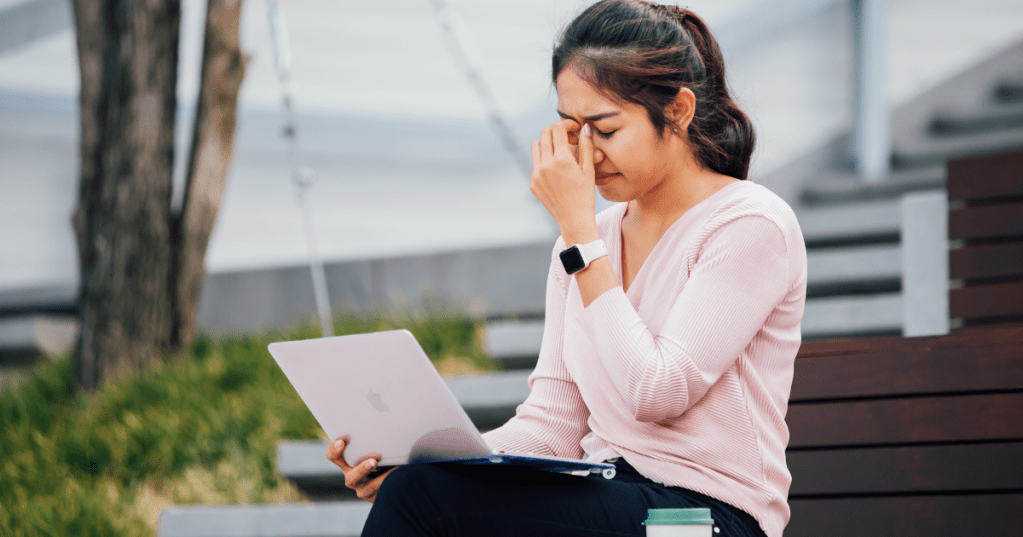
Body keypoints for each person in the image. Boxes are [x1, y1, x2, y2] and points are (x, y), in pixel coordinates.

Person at [326, 1, 807, 536]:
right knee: (419, 490)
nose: (586, 154)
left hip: (704, 520)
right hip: (613, 496)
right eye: (571, 130)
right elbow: (552, 427)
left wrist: (579, 237)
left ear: (678, 111)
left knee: (428, 502)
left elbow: (657, 391)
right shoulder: (585, 244)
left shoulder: (750, 224)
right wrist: (421, 462)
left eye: (605, 130)